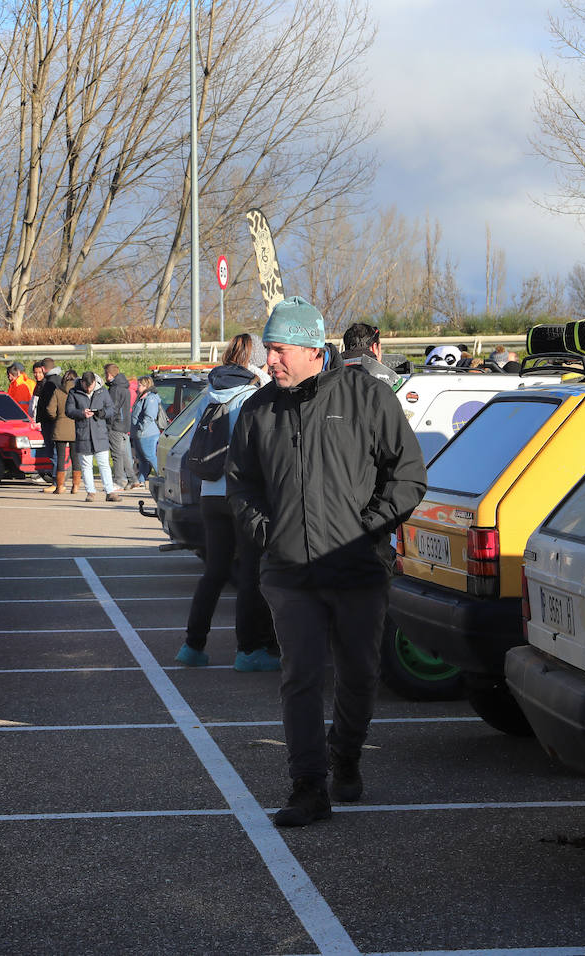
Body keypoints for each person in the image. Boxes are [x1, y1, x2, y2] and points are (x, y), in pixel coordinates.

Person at [227, 296, 427, 828]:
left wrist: (366, 530)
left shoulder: (368, 398)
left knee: (360, 676)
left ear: (315, 350)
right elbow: (241, 485)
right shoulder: (258, 409)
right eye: (268, 350)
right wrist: (266, 533)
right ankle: (308, 785)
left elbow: (407, 476)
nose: (269, 360)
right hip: (289, 573)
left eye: (278, 349)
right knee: (301, 676)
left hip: (357, 570)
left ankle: (346, 752)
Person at [175, 333, 278, 673]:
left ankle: (193, 645)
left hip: (209, 495)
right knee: (250, 574)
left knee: (215, 572)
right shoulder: (252, 395)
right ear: (258, 359)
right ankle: (249, 651)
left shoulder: (211, 392)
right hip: (241, 495)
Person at [65, 370, 119, 502]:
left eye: (91, 386)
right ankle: (90, 492)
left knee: (104, 464)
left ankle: (110, 492)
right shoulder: (73, 392)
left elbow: (112, 409)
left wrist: (102, 413)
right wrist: (81, 413)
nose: (89, 389)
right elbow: (69, 411)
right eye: (86, 386)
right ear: (82, 382)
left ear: (95, 382)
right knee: (86, 465)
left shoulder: (103, 391)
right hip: (83, 433)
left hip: (100, 433)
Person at [45, 370, 80, 495]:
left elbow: (50, 409)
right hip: (75, 428)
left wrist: (56, 417)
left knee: (60, 458)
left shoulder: (58, 391)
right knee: (75, 457)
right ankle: (75, 486)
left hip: (60, 427)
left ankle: (60, 486)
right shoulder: (78, 392)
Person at [103, 363, 133, 491]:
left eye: (105, 374)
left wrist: (105, 419)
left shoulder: (115, 389)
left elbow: (113, 409)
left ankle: (119, 480)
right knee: (124, 453)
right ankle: (132, 479)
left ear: (109, 375)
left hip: (116, 425)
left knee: (116, 454)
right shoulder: (124, 386)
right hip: (124, 424)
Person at [129, 375, 161, 486]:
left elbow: (149, 416)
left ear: (146, 385)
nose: (138, 387)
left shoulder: (150, 398)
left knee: (150, 456)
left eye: (140, 385)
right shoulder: (141, 397)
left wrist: (141, 429)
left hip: (147, 434)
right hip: (138, 433)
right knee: (142, 459)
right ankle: (141, 481)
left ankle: (163, 477)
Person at [34, 358, 62, 487]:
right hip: (57, 421)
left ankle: (56, 481)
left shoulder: (49, 383)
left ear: (44, 369)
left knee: (53, 452)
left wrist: (44, 418)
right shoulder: (59, 380)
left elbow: (48, 405)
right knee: (57, 451)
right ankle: (57, 480)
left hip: (50, 422)